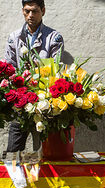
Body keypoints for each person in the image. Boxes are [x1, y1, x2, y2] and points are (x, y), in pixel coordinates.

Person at [4, 0, 64, 152]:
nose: (30, 15)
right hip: (21, 100)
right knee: (13, 151)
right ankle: (14, 174)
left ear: (43, 11)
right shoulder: (14, 38)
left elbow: (55, 69)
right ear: (23, 11)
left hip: (46, 101)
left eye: (35, 11)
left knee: (48, 151)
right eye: (27, 11)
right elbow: (9, 69)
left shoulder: (54, 37)